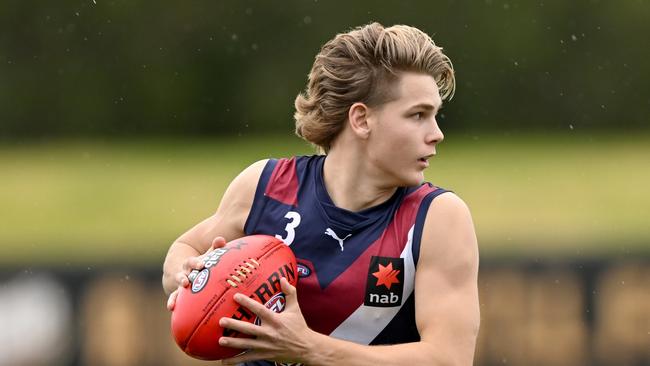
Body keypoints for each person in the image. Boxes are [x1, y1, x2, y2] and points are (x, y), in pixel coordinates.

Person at [162, 22, 479, 366]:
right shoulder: (266, 185)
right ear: (361, 119)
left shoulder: (437, 218)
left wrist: (309, 349)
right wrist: (191, 276)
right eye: (418, 115)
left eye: (434, 115)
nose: (437, 134)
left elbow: (449, 358)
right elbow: (186, 249)